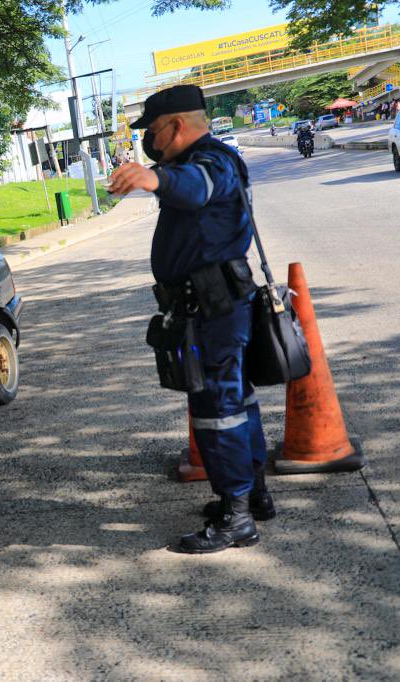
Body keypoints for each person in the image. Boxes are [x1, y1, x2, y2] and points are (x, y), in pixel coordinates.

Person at [107, 84, 273, 554]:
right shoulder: (198, 159)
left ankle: (236, 516)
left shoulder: (211, 162)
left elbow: (198, 189)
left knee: (217, 411)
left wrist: (153, 179)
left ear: (178, 125)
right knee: (236, 402)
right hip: (211, 305)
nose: (149, 142)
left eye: (154, 132)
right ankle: (252, 494)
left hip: (213, 309)